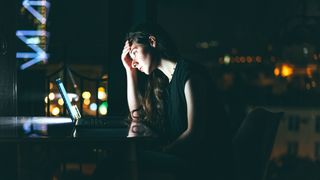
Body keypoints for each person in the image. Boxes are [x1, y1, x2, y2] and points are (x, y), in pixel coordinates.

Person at [120, 23, 234, 180]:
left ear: (152, 42)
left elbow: (195, 134)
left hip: (203, 165)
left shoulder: (190, 74)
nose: (133, 62)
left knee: (122, 162)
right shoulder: (166, 84)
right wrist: (130, 72)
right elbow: (137, 118)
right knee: (123, 160)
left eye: (134, 52)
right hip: (184, 159)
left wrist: (162, 151)